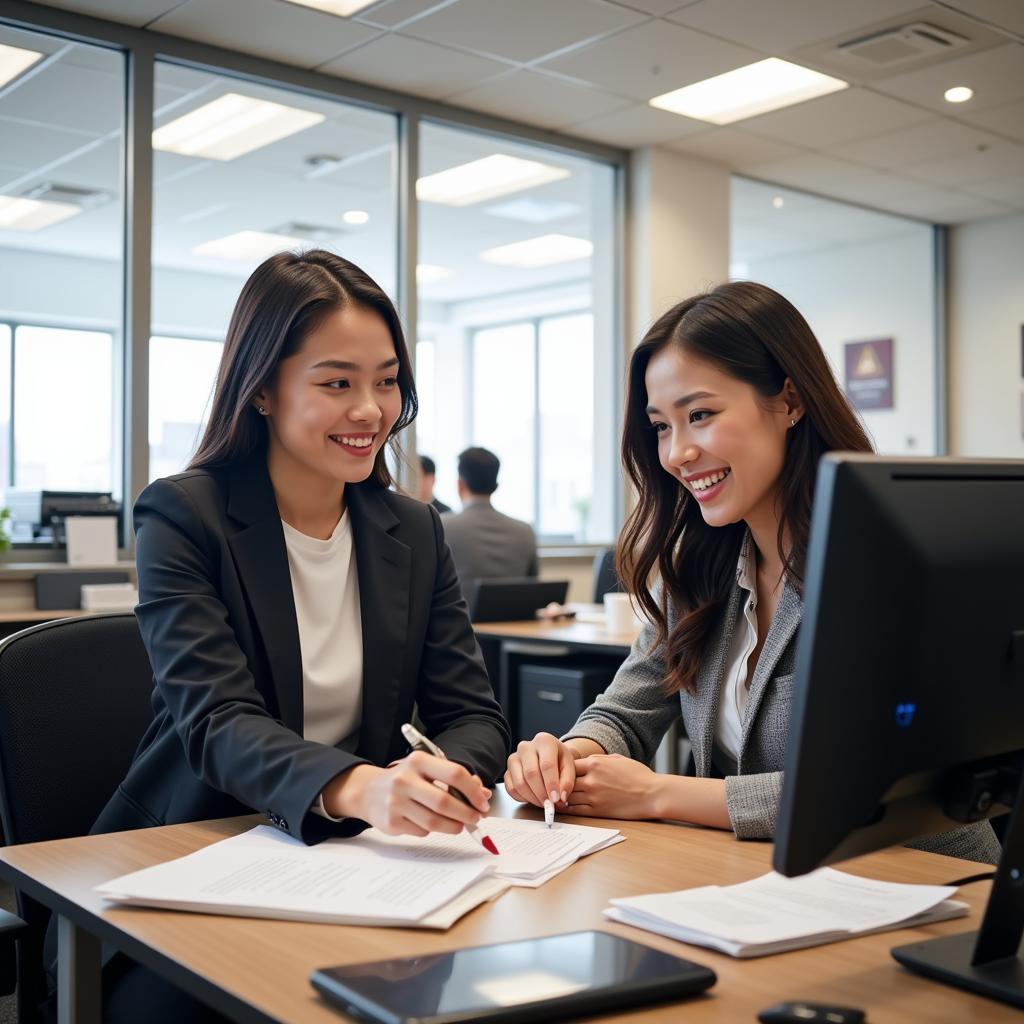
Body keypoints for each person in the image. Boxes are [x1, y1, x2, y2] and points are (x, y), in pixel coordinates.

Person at [49, 250, 510, 1022]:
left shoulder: (414, 531)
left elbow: (474, 716)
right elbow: (219, 724)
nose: (371, 410)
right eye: (337, 383)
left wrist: (444, 780)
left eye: (387, 380)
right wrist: (362, 787)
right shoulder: (183, 517)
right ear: (262, 388)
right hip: (194, 857)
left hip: (360, 866)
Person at [505, 281, 999, 866]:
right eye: (662, 425)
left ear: (790, 401)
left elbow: (871, 789)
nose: (676, 454)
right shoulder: (699, 566)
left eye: (701, 415)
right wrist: (569, 756)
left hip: (927, 883)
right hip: (773, 887)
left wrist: (661, 793)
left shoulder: (884, 569)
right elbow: (625, 711)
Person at [441, 447, 538, 593]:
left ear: (460, 484)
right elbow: (533, 589)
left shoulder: (441, 527)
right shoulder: (525, 531)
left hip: (460, 616)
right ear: (495, 486)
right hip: (515, 616)